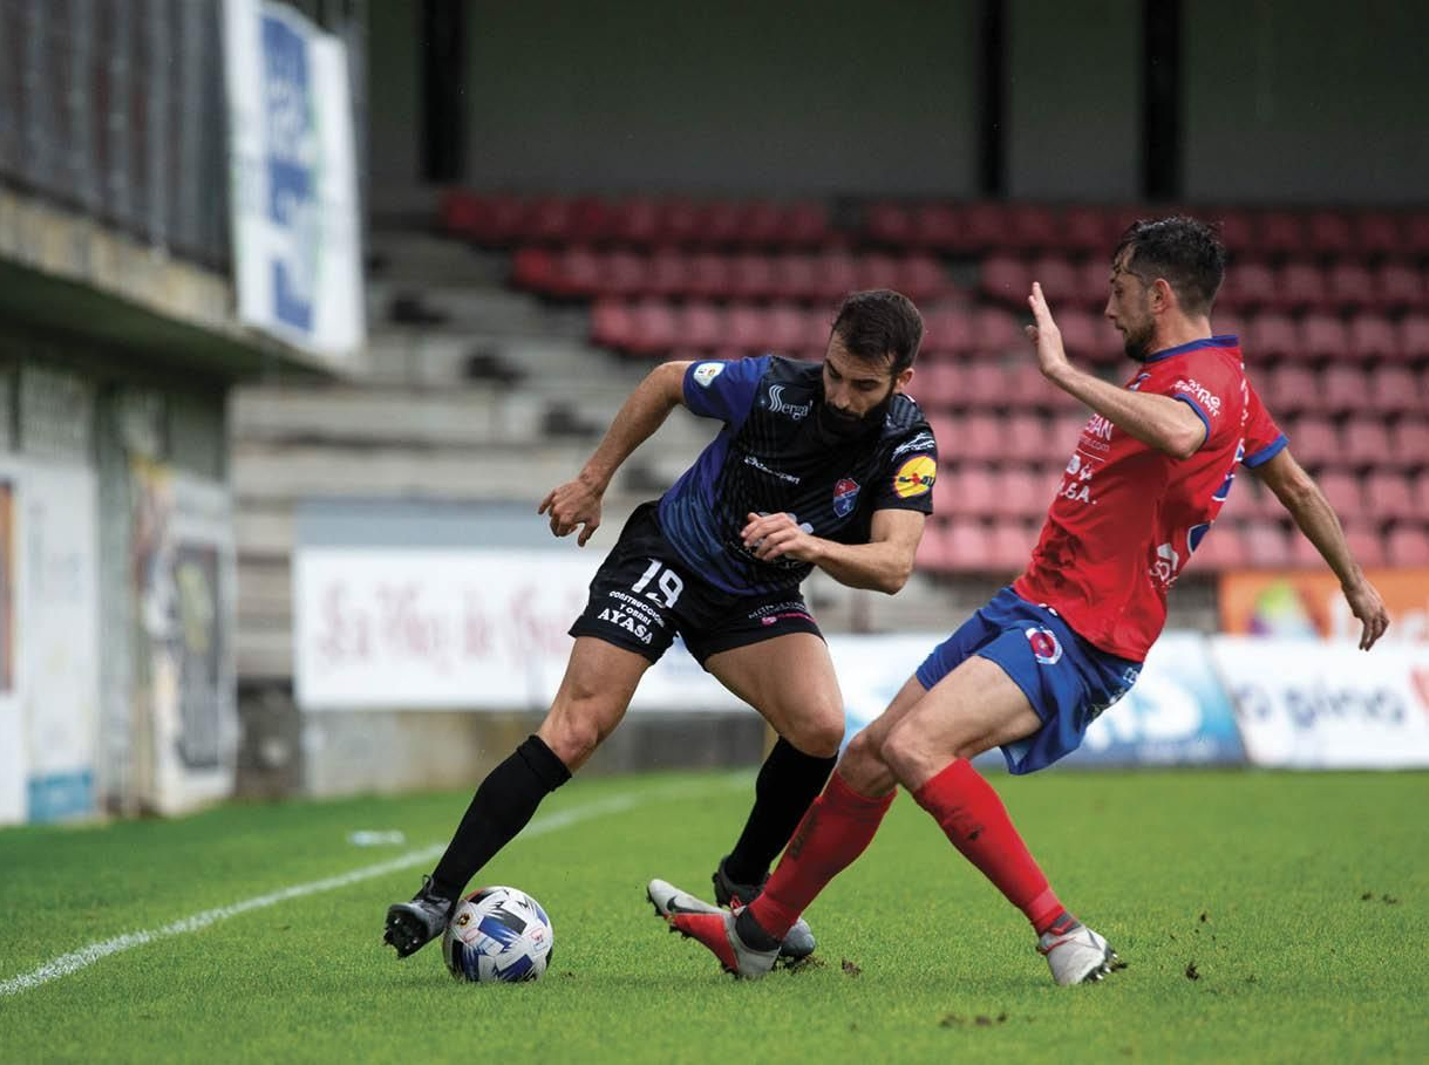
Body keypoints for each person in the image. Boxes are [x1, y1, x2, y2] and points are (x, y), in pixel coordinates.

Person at [653, 216, 1391, 985]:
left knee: (915, 748)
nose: (1109, 307)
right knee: (871, 755)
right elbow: (1297, 484)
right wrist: (1356, 580)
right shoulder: (1219, 381)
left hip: (1087, 628)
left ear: (1160, 294)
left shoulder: (1201, 380)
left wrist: (1065, 373)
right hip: (1033, 604)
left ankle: (1063, 934)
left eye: (1119, 290)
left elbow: (1179, 435)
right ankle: (759, 933)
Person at [383, 290, 940, 962]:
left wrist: (810, 545)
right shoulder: (769, 388)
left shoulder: (906, 442)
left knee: (821, 727)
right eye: (833, 373)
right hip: (668, 556)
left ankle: (743, 880)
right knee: (576, 729)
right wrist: (593, 480)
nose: (842, 395)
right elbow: (668, 379)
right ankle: (439, 894)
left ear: (901, 379)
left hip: (756, 591)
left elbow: (893, 565)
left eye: (864, 385)